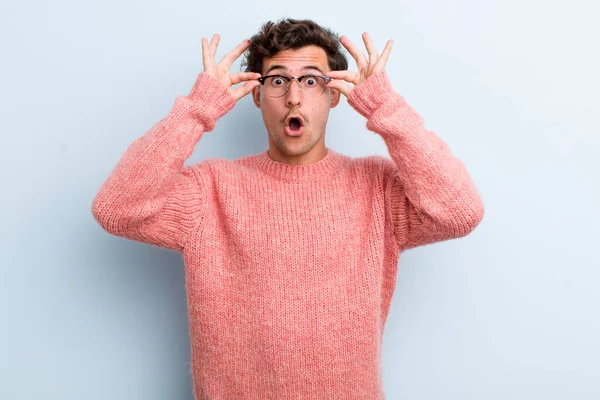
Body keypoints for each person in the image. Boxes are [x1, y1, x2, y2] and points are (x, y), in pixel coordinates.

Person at [92, 18, 484, 400]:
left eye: (311, 80)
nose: (294, 97)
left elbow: (459, 212)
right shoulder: (210, 190)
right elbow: (117, 208)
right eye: (278, 80)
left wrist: (385, 107)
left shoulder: (377, 188)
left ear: (334, 95)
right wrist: (197, 109)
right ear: (257, 95)